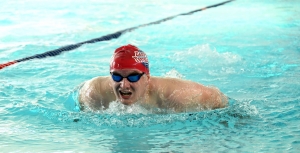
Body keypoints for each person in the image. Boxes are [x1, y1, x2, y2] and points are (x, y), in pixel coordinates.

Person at [78, 44, 228, 113]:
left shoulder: (178, 95)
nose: (124, 85)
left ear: (147, 78)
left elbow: (219, 99)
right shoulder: (94, 91)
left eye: (133, 76)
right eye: (117, 76)